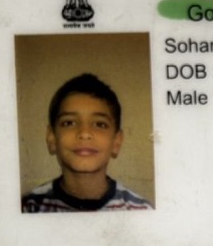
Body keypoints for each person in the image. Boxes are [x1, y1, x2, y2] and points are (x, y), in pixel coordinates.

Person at [22, 73, 153, 212]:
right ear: (52, 138)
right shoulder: (29, 208)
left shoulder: (141, 211)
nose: (84, 133)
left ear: (116, 142)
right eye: (69, 123)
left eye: (100, 124)